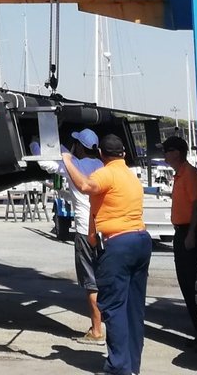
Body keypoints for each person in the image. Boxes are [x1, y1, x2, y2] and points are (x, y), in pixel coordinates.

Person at [62, 133, 151, 375]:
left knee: (114, 307)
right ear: (123, 153)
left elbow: (85, 186)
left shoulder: (106, 173)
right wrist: (93, 235)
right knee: (134, 308)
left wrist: (67, 160)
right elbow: (100, 205)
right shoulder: (130, 176)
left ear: (102, 154)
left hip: (118, 244)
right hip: (140, 240)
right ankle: (132, 365)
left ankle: (118, 367)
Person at [58, 128, 106, 343]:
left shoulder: (73, 166)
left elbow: (48, 163)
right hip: (103, 230)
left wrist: (34, 143)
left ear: (79, 146)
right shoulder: (103, 167)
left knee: (90, 282)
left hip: (85, 231)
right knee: (104, 279)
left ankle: (96, 330)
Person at [163, 136, 197, 348]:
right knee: (185, 282)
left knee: (191, 283)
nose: (164, 155)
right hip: (181, 231)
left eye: (167, 150)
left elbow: (196, 204)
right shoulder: (180, 175)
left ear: (177, 153)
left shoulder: (189, 174)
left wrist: (191, 234)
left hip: (188, 232)